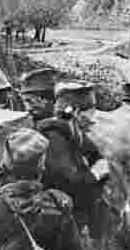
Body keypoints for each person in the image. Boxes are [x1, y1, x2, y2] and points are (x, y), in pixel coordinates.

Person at [36, 81, 110, 234]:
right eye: (89, 112)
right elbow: (69, 184)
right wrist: (95, 174)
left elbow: (97, 156)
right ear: (74, 112)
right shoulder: (54, 137)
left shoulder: (74, 131)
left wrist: (98, 167)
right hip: (57, 217)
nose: (93, 119)